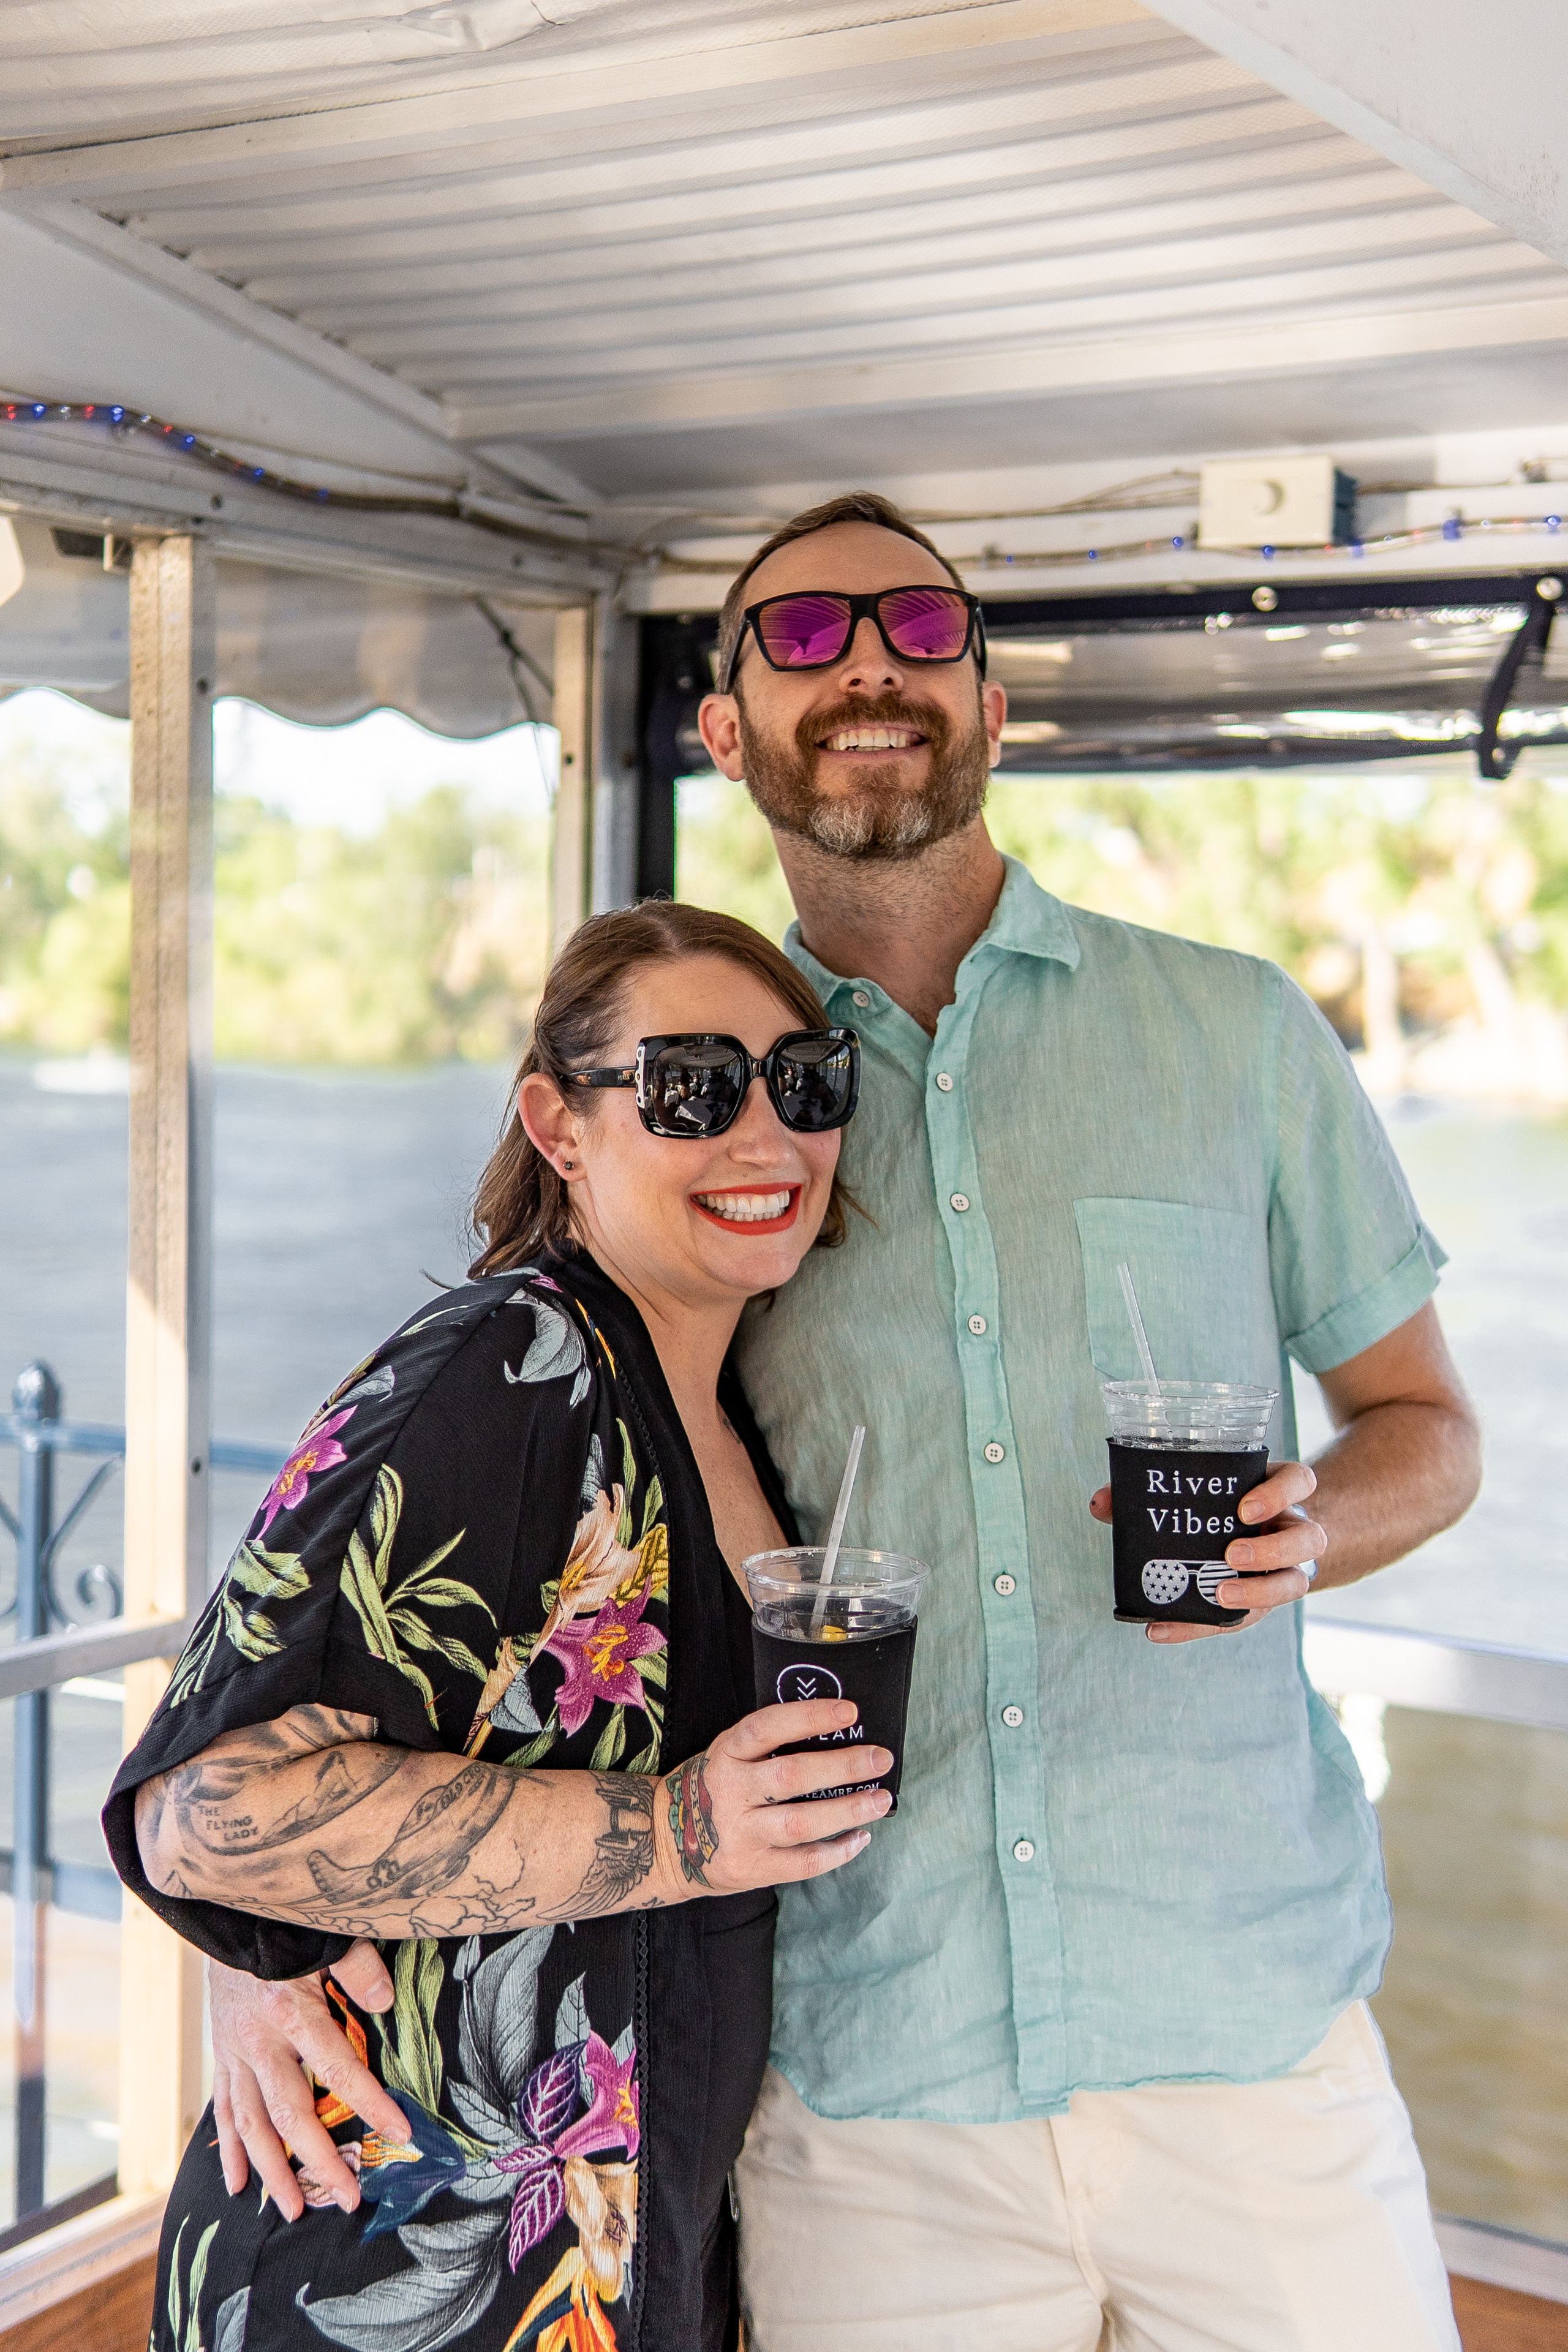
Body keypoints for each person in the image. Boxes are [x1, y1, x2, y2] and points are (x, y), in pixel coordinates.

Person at [207, 493, 1483, 2352]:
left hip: (1251, 2038)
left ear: (989, 699)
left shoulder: (1238, 1034)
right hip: (866, 2082)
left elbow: (1426, 1422)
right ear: (723, 732)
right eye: (802, 638)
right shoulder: (715, 1121)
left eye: (917, 627)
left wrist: (1321, 1524)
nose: (869, 662)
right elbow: (434, 1532)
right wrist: (269, 1937)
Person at [103, 902, 895, 2352]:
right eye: (691, 1088)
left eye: (804, 1081)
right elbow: (208, 1816)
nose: (763, 1133)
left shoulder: (711, 1402)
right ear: (559, 1123)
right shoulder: (509, 1367)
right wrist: (686, 1834)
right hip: (382, 2274)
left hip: (601, 2270)